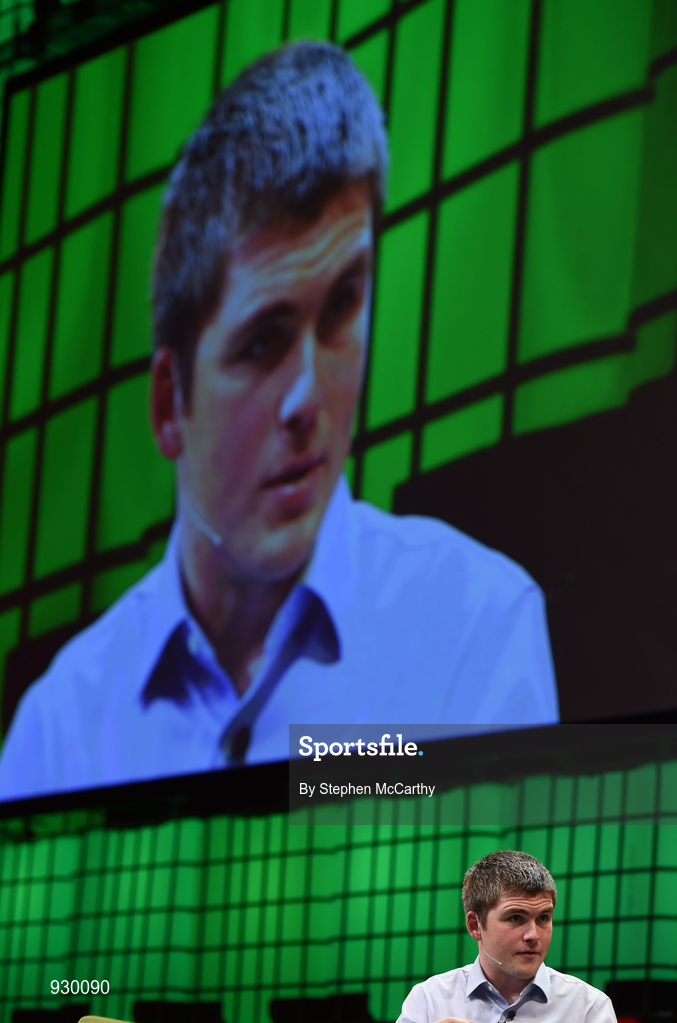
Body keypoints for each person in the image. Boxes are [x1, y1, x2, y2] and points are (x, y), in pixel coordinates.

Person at [0, 42, 558, 801]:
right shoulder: (57, 733)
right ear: (170, 405)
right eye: (262, 342)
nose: (306, 399)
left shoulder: (472, 632)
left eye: (341, 306)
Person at [398, 850, 616, 1023]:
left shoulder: (589, 1008)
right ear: (475, 926)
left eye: (543, 918)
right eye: (515, 918)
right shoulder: (429, 1000)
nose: (533, 935)